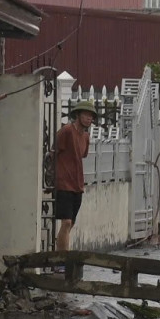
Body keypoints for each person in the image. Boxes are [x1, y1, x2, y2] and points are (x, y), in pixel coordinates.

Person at [48, 105, 97, 251]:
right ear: (77, 115)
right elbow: (53, 152)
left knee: (71, 223)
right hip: (63, 183)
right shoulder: (67, 131)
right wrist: (51, 175)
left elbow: (81, 155)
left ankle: (60, 251)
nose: (89, 119)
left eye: (91, 116)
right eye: (86, 115)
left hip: (77, 184)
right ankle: (63, 259)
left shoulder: (86, 137)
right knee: (67, 222)